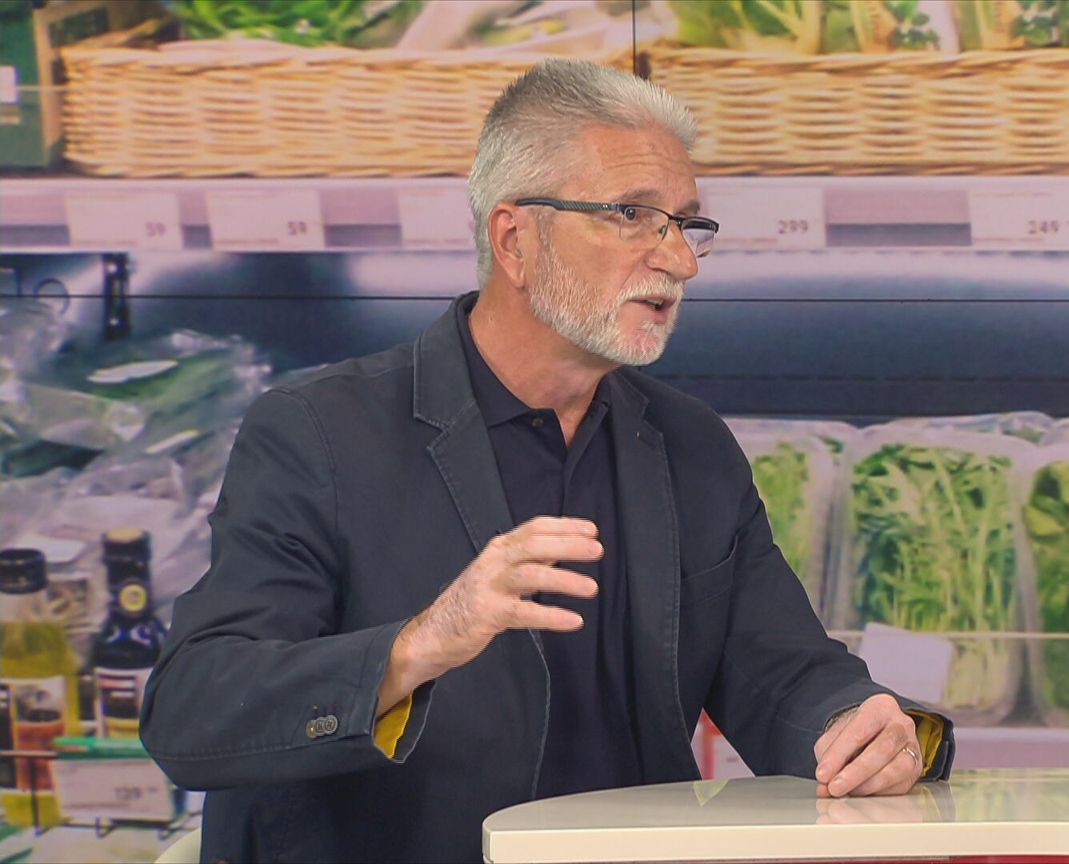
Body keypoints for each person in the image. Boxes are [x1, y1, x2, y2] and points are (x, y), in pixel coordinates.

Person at [140, 59, 955, 863]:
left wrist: (866, 726)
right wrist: (419, 645)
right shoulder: (318, 431)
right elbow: (193, 714)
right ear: (516, 239)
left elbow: (782, 672)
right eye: (633, 214)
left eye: (685, 223)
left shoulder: (690, 444)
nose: (680, 261)